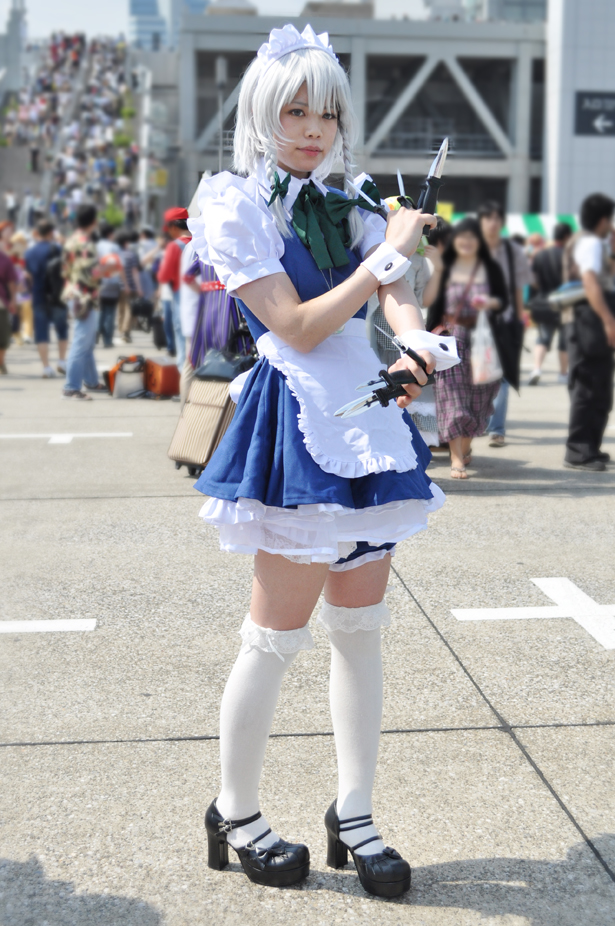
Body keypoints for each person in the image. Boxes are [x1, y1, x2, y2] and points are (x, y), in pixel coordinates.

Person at [187, 23, 458, 898]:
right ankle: (235, 808)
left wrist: (418, 349)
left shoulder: (354, 198)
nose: (311, 128)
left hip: (367, 427)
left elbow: (399, 301)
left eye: (326, 112)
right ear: (262, 113)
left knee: (360, 635)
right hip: (292, 421)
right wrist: (385, 253)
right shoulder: (232, 202)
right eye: (293, 110)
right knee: (273, 638)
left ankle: (356, 810)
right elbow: (296, 325)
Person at [426, 218, 510, 478]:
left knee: (479, 403)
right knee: (454, 403)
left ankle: (464, 448)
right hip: (452, 342)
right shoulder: (443, 267)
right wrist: (439, 270)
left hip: (484, 344)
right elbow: (426, 300)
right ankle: (456, 458)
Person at [562, 193, 615, 471]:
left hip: (587, 319)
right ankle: (579, 450)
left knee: (600, 387)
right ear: (604, 219)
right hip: (588, 320)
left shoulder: (589, 242)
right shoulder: (591, 242)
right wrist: (608, 320)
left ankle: (590, 446)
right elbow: (591, 282)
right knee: (588, 386)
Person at [478, 201, 532, 448]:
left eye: (496, 219)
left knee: (503, 376)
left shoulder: (513, 251)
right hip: (476, 322)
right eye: (487, 218)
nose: (492, 223)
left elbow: (519, 287)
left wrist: (520, 317)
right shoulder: (472, 250)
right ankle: (480, 423)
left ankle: (496, 429)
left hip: (506, 321)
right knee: (478, 375)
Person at [62, 204, 105, 399]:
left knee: (86, 342)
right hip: (85, 296)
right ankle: (71, 387)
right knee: (81, 342)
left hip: (74, 293)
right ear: (93, 221)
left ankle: (91, 380)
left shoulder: (71, 240)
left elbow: (65, 270)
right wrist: (106, 270)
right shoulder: (86, 243)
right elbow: (92, 273)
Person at [527, 222, 572, 385]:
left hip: (544, 302)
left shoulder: (540, 255)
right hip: (566, 303)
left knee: (543, 338)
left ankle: (537, 369)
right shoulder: (570, 255)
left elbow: (532, 280)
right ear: (567, 236)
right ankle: (563, 374)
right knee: (564, 341)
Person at [25, 221, 69, 376]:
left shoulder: (29, 253)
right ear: (51, 233)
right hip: (58, 295)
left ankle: (46, 367)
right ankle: (62, 361)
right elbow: (65, 270)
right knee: (62, 329)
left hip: (38, 295)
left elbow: (29, 275)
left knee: (41, 332)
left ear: (37, 233)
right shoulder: (57, 249)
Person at [157, 208, 192, 370]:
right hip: (207, 296)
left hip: (183, 298)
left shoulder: (174, 246)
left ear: (173, 228)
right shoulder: (200, 242)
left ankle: (185, 384)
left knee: (183, 339)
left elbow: (164, 276)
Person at [96, 222, 122, 348]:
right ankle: (107, 340)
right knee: (110, 312)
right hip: (112, 282)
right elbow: (119, 265)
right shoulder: (114, 247)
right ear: (110, 234)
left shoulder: (96, 246)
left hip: (98, 282)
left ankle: (95, 336)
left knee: (99, 310)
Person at [115, 228, 142, 344]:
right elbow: (135, 272)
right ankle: (125, 332)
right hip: (129, 286)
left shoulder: (115, 254)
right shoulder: (130, 254)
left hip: (117, 286)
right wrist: (139, 287)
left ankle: (121, 330)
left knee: (120, 309)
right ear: (126, 242)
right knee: (129, 309)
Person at [0, 236, 18, 374]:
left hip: (1, 303)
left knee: (3, 337)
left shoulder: (4, 260)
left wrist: (13, 300)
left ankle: (1, 361)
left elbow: (11, 281)